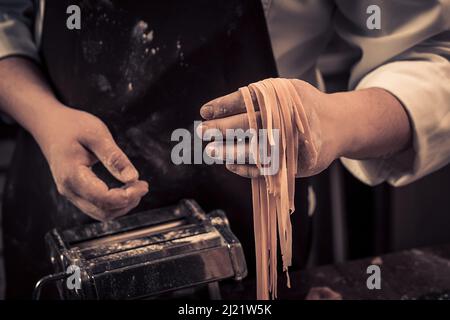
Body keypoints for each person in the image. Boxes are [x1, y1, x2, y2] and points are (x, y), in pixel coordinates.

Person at [0, 0, 449, 298]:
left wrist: (332, 122)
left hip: (256, 230)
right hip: (55, 200)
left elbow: (435, 55)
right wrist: (43, 116)